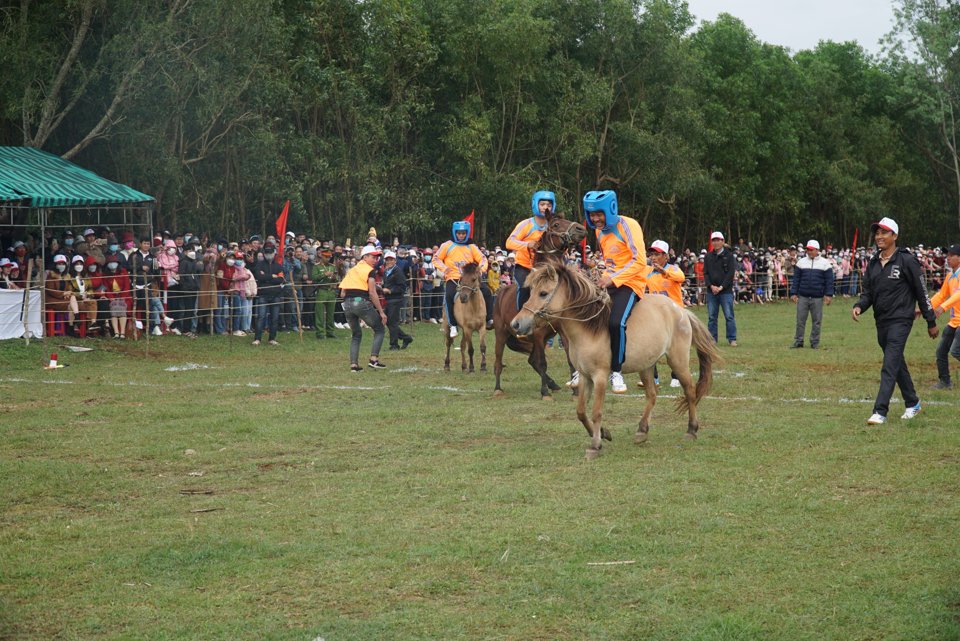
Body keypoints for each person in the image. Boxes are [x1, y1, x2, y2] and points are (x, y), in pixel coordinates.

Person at [852, 217, 938, 425]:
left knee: (889, 365)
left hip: (901, 320)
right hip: (881, 321)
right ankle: (913, 403)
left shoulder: (907, 260)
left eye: (884, 232)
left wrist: (930, 320)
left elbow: (921, 291)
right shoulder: (873, 263)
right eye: (877, 233)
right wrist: (859, 306)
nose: (879, 236)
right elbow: (868, 294)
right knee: (896, 362)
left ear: (895, 236)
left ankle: (880, 411)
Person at [583, 190, 647, 394]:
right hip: (608, 281)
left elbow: (640, 261)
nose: (595, 219)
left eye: (599, 214)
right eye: (592, 215)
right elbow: (610, 259)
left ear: (610, 209)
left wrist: (613, 278)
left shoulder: (629, 225)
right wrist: (600, 272)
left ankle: (617, 371)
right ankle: (583, 368)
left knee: (615, 322)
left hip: (631, 282)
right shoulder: (598, 231)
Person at [434, 220, 491, 337]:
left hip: (469, 277)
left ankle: (489, 318)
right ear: (455, 233)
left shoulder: (471, 247)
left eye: (463, 233)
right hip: (454, 278)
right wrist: (444, 268)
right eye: (459, 233)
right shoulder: (447, 245)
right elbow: (436, 258)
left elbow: (483, 258)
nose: (461, 236)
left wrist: (481, 269)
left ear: (467, 233)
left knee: (487, 291)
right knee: (449, 295)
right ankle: (453, 325)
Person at [339, 244, 388, 371]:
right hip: (361, 302)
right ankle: (374, 359)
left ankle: (354, 365)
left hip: (347, 304)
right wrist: (381, 312)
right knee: (379, 329)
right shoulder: (370, 271)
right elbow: (372, 293)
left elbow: (342, 293)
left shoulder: (352, 270)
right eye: (373, 257)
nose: (376, 260)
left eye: (377, 258)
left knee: (356, 334)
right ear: (364, 257)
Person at [644, 239, 685, 388]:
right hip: (656, 316)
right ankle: (653, 378)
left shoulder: (673, 269)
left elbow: (681, 277)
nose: (653, 257)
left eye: (657, 254)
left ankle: (676, 376)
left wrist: (664, 272)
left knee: (674, 348)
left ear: (666, 256)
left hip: (675, 315)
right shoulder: (648, 271)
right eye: (651, 254)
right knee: (650, 346)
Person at [506, 190, 554, 309]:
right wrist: (527, 245)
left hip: (545, 268)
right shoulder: (526, 224)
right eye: (542, 204)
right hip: (524, 267)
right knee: (524, 287)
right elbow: (509, 242)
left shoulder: (553, 225)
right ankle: (520, 315)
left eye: (549, 205)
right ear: (535, 204)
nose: (545, 207)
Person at [790, 239, 834, 349]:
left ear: (817, 250)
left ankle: (815, 342)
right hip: (803, 296)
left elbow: (829, 281)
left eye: (811, 250)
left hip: (817, 297)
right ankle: (799, 341)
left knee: (817, 321)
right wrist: (793, 293)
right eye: (807, 250)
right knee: (800, 320)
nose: (809, 252)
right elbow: (796, 279)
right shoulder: (801, 262)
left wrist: (828, 294)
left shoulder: (825, 263)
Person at [930, 243, 960, 389]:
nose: (947, 258)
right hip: (954, 322)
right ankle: (945, 382)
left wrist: (943, 308)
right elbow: (941, 296)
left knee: (955, 351)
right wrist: (925, 308)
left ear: (959, 258)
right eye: (947, 255)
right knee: (941, 351)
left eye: (951, 255)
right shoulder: (950, 276)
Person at [704, 231, 737, 346]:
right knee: (712, 317)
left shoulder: (729, 256)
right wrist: (711, 286)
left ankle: (732, 338)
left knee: (729, 315)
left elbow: (730, 274)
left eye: (718, 240)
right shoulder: (708, 256)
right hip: (711, 291)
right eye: (714, 240)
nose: (716, 242)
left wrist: (721, 287)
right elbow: (706, 273)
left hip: (725, 291)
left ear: (723, 242)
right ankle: (712, 339)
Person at [252, 241, 285, 345]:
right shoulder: (259, 264)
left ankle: (272, 338)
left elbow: (281, 279)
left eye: (270, 252)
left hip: (276, 295)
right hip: (263, 294)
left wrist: (266, 276)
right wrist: (272, 276)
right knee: (261, 317)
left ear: (274, 253)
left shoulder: (278, 266)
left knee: (275, 318)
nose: (268, 254)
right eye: (266, 252)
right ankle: (257, 338)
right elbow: (259, 276)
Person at [382, 249, 414, 350]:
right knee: (388, 322)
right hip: (389, 299)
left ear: (395, 260)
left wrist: (390, 290)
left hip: (395, 299)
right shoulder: (386, 271)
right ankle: (406, 337)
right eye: (387, 260)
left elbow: (402, 287)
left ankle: (394, 344)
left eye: (391, 259)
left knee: (393, 322)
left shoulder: (398, 271)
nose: (388, 261)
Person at [312, 248, 338, 338]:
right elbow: (314, 278)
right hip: (321, 290)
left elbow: (337, 278)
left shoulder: (332, 266)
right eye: (326, 257)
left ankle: (330, 331)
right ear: (321, 256)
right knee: (319, 313)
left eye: (329, 257)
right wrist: (324, 275)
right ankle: (320, 333)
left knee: (331, 313)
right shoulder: (317, 266)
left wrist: (334, 277)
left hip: (331, 291)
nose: (328, 258)